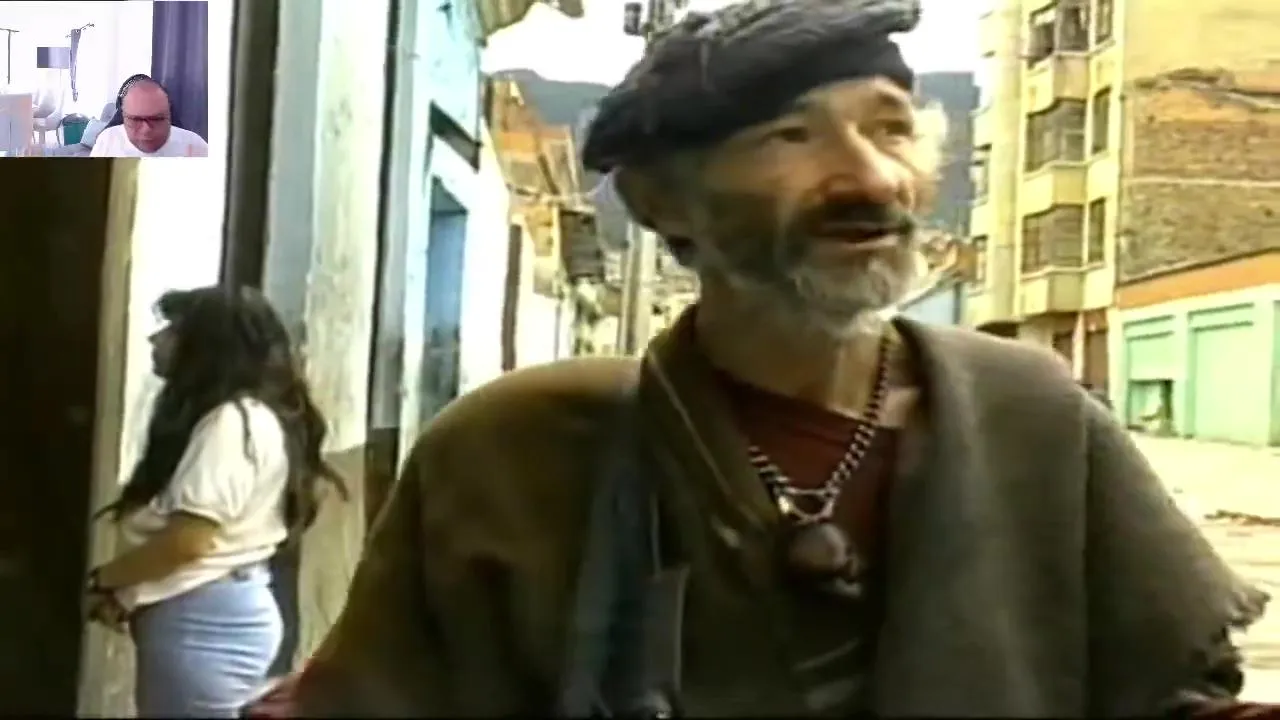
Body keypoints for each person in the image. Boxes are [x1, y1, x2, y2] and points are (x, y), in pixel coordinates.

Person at [274, 0, 1276, 716]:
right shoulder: (520, 445)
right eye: (792, 137)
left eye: (892, 129)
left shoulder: (1031, 411)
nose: (868, 178)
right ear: (664, 203)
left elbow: (1171, 695)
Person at [85, 286, 346, 718]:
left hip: (203, 623)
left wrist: (105, 580)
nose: (156, 339)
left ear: (205, 347)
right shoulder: (249, 418)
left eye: (172, 330)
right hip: (214, 613)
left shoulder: (230, 425)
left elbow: (189, 542)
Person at [91, 75, 208, 157]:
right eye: (136, 119)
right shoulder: (107, 139)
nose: (146, 129)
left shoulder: (195, 143)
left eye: (156, 119)